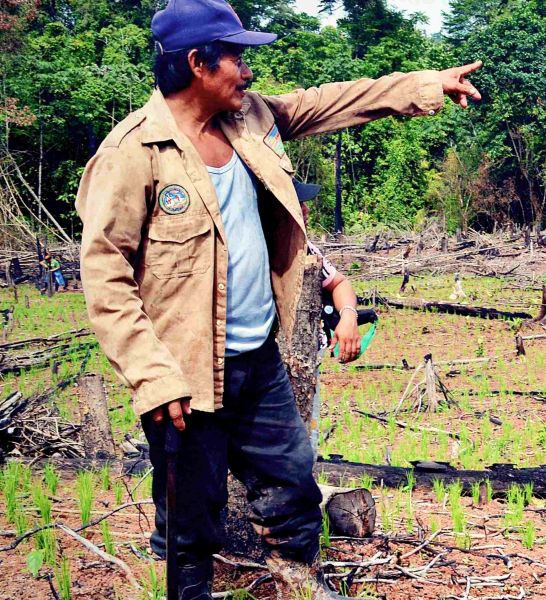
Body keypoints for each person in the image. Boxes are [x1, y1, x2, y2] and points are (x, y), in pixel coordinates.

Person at [74, 0, 481, 596]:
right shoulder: (133, 153)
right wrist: (150, 375)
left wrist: (426, 85)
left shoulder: (252, 119)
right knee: (191, 519)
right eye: (236, 57)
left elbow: (333, 101)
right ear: (197, 63)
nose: (247, 69)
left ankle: (296, 579)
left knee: (292, 482)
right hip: (183, 375)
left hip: (258, 362)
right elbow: (104, 273)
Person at [292, 179, 361, 363]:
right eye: (298, 204)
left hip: (308, 359)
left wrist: (348, 316)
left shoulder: (307, 250)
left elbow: (340, 283)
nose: (306, 210)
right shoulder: (259, 256)